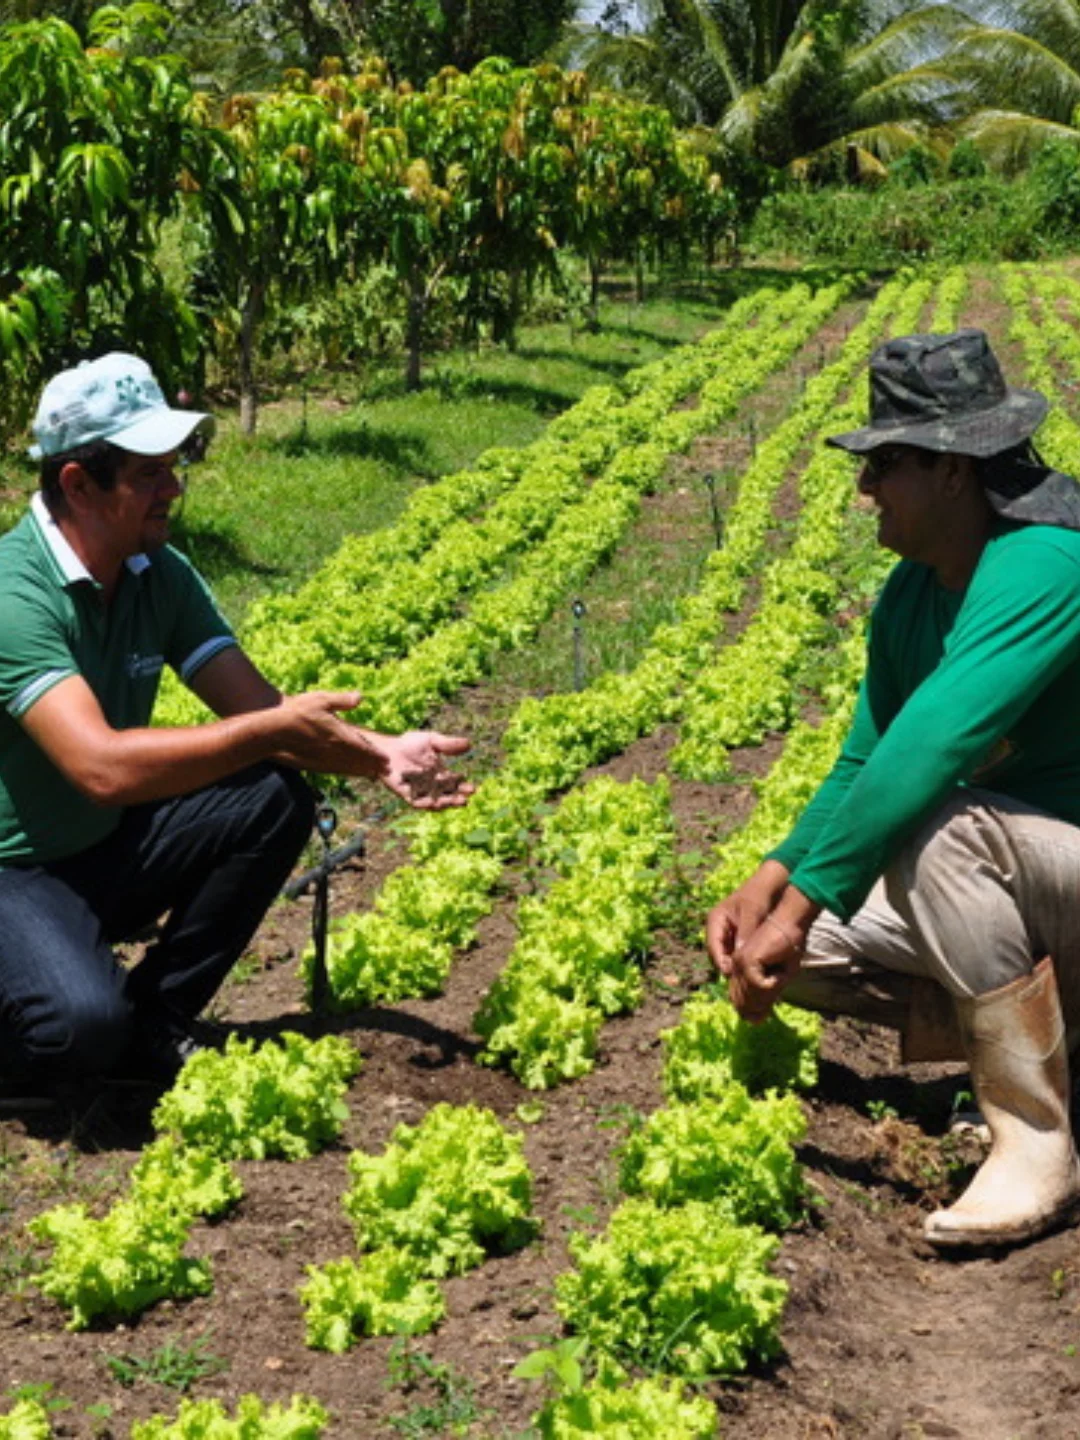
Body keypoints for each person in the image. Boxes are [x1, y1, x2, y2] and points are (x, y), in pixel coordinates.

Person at [0, 352, 473, 1093]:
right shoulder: (14, 594)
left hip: (102, 845)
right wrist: (272, 733)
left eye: (173, 465)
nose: (173, 488)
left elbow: (261, 712)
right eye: (149, 473)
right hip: (15, 870)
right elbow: (100, 767)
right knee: (77, 1033)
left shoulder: (159, 573)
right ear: (77, 484)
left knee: (273, 794)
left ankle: (157, 1017)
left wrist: (382, 755)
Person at [707, 328, 1080, 1251]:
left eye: (887, 465)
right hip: (1053, 892)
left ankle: (1036, 1142)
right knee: (807, 953)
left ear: (954, 472)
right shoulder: (914, 592)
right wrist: (774, 879)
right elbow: (865, 757)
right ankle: (1051, 1050)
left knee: (944, 830)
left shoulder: (1045, 563)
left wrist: (800, 904)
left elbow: (929, 746)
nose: (865, 487)